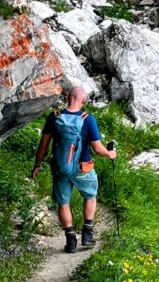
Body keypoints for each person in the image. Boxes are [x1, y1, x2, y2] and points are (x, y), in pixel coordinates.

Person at [31, 85, 117, 253]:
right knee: (90, 196)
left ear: (68, 98)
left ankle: (70, 239)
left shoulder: (54, 117)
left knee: (63, 202)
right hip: (83, 168)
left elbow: (43, 146)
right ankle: (87, 233)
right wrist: (111, 154)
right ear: (83, 100)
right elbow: (98, 148)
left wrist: (37, 165)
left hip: (60, 168)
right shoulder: (87, 119)